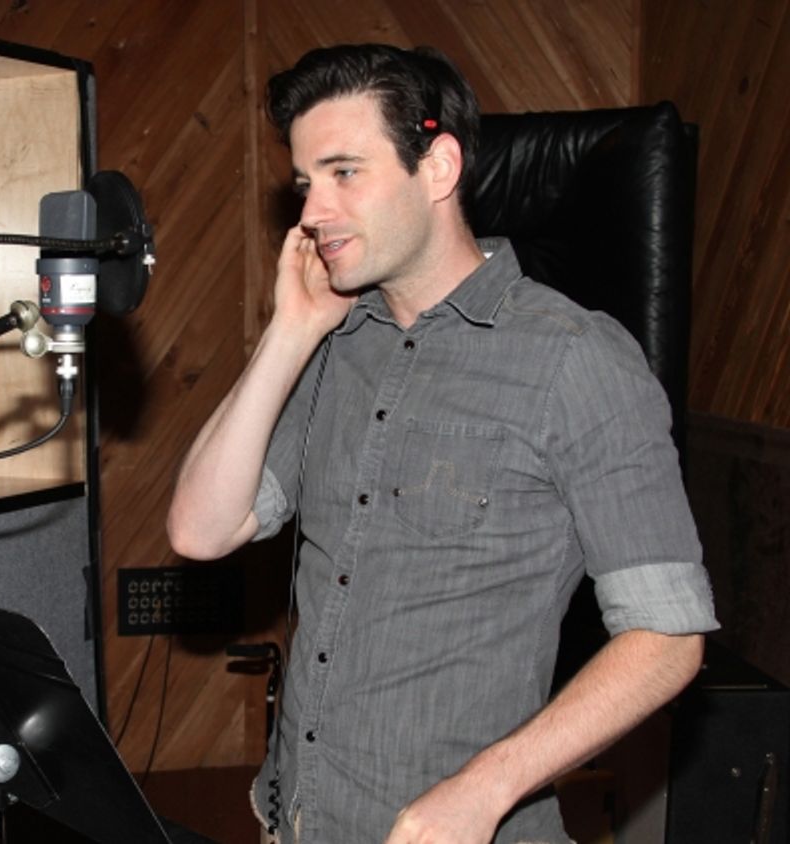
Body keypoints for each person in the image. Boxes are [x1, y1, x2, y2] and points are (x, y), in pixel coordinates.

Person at [166, 43, 718, 844]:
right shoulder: (331, 344)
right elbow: (200, 530)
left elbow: (668, 639)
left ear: (438, 167)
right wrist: (289, 332)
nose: (312, 211)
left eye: (344, 172)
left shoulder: (577, 360)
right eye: (304, 183)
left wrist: (483, 791)